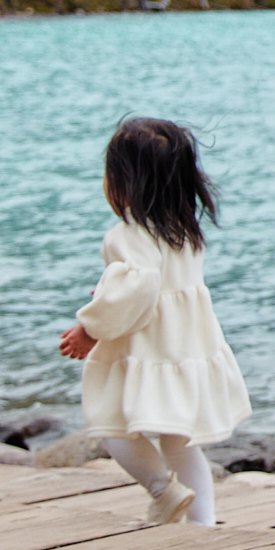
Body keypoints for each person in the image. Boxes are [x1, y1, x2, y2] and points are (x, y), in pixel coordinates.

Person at [56, 117, 250, 528]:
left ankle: (163, 490)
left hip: (145, 350)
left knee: (110, 422)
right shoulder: (184, 229)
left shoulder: (128, 233)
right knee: (180, 440)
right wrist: (112, 286)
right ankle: (203, 524)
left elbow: (138, 287)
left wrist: (90, 328)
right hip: (185, 349)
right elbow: (152, 283)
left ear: (123, 182)